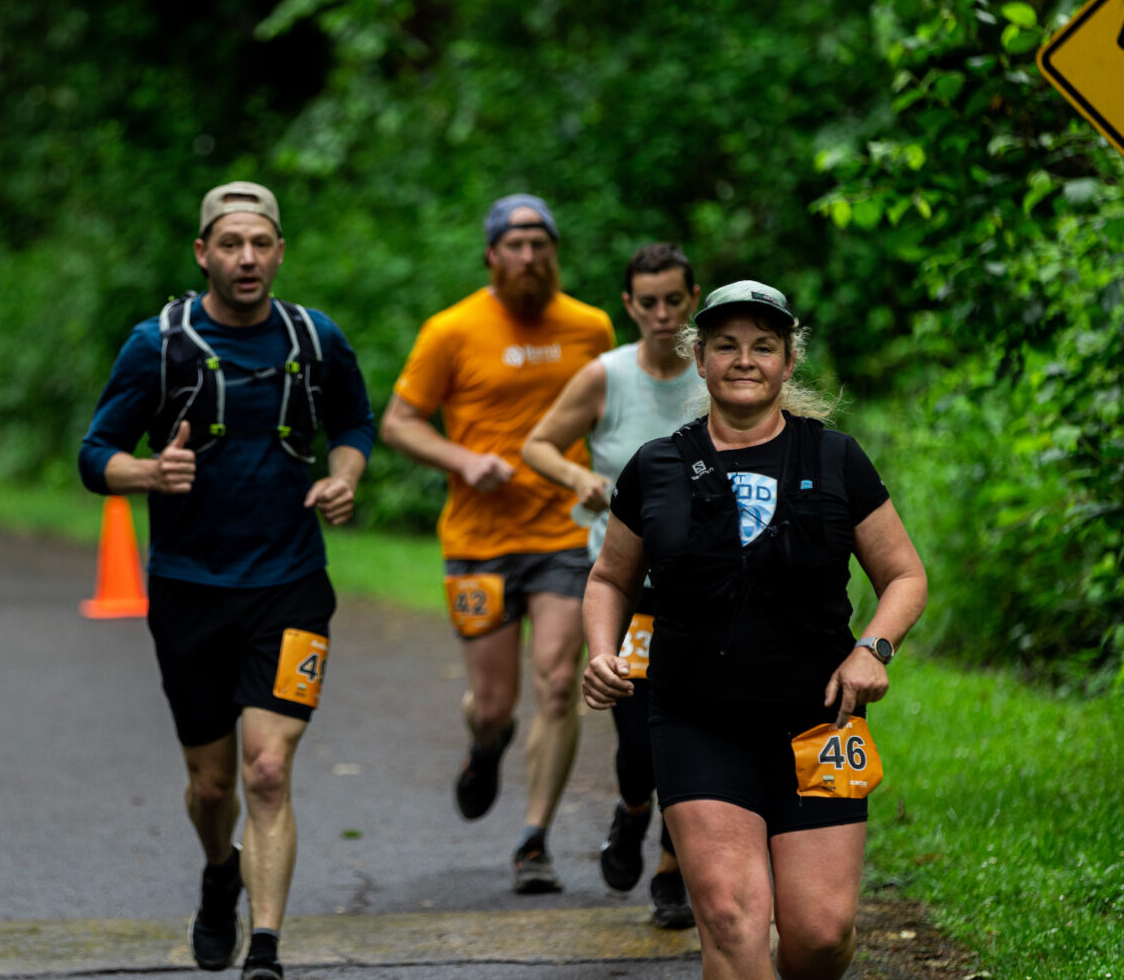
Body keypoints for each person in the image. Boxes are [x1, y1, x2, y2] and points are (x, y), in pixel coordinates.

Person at [581, 280, 927, 980]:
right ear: (699, 360)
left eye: (763, 346)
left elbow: (905, 576)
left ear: (788, 361)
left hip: (819, 722)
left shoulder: (836, 460)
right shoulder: (656, 467)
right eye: (726, 346)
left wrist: (873, 649)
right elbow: (610, 578)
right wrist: (601, 650)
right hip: (696, 719)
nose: (745, 360)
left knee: (823, 935)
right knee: (734, 922)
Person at [79, 182, 375, 980]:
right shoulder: (157, 345)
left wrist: (345, 474)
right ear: (203, 252)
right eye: (232, 244)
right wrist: (148, 470)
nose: (248, 258)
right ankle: (219, 876)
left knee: (267, 770)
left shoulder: (316, 339)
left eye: (262, 243)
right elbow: (93, 454)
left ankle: (268, 952)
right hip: (189, 590)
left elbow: (353, 422)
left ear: (280, 251)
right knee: (212, 788)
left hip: (290, 586)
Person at [381, 194, 614, 893]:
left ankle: (534, 840)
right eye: (514, 244)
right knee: (493, 703)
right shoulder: (450, 330)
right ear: (491, 255)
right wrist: (461, 462)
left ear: (555, 252)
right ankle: (486, 745)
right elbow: (399, 422)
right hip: (478, 540)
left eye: (540, 243)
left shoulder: (591, 326)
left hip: (564, 532)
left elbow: (616, 408)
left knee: (555, 683)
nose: (529, 255)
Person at [521, 242, 703, 929]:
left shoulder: (716, 375)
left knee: (693, 731)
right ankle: (631, 812)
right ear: (628, 306)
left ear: (692, 299)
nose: (662, 314)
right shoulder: (607, 376)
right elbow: (538, 444)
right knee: (639, 741)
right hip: (628, 589)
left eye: (674, 301)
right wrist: (581, 480)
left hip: (705, 591)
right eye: (647, 302)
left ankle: (671, 868)